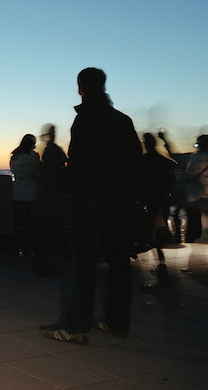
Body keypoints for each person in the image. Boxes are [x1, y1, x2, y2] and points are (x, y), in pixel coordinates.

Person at [41, 68, 141, 344]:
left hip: (89, 201)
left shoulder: (85, 118)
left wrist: (69, 191)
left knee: (85, 263)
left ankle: (77, 327)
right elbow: (135, 162)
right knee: (119, 261)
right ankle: (117, 322)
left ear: (80, 88)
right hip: (117, 200)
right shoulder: (122, 120)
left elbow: (79, 163)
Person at [170, 134, 208, 244]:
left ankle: (205, 237)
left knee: (204, 214)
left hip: (204, 189)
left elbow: (192, 173)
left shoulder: (197, 157)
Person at [33, 124, 67, 278]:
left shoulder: (49, 149)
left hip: (47, 196)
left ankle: (43, 263)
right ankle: (44, 264)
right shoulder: (52, 150)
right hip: (51, 196)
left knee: (45, 231)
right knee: (48, 231)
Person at [10, 134, 40, 258]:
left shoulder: (15, 157)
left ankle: (19, 247)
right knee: (31, 222)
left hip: (17, 191)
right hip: (31, 192)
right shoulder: (33, 157)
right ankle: (31, 247)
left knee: (20, 221)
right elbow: (37, 172)